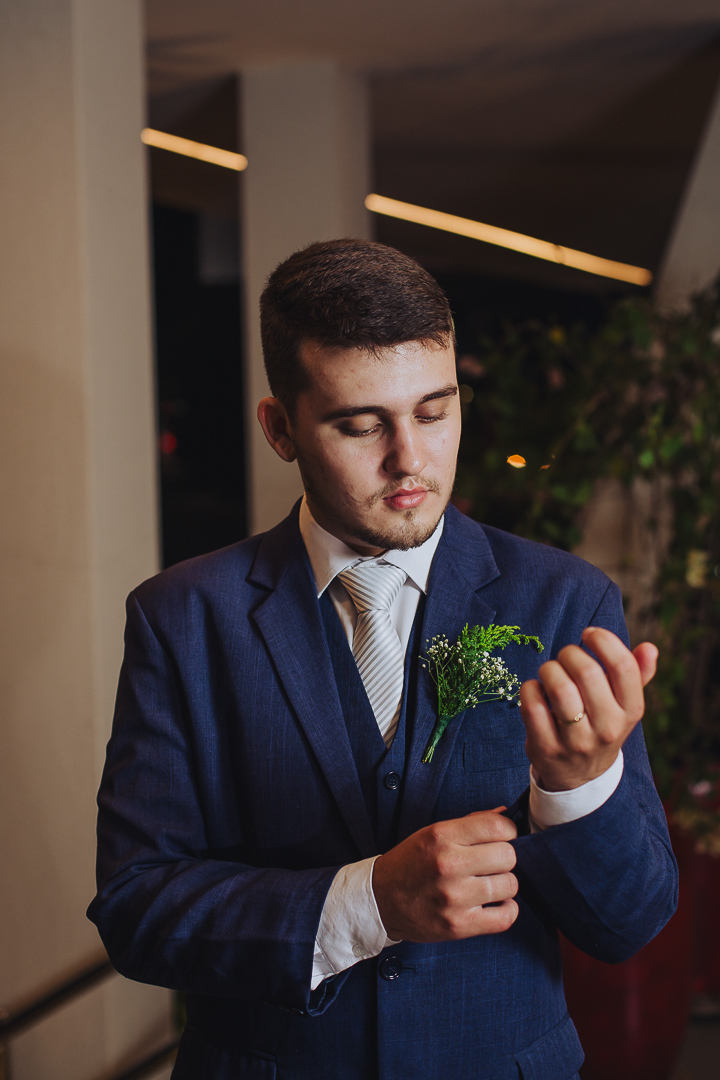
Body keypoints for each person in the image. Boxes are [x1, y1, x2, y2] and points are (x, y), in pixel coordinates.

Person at [88, 238, 677, 1080]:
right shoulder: (182, 617)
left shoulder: (565, 599)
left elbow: (628, 924)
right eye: (362, 424)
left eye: (434, 412)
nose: (410, 460)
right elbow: (137, 908)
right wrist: (365, 903)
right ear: (280, 428)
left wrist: (577, 788)